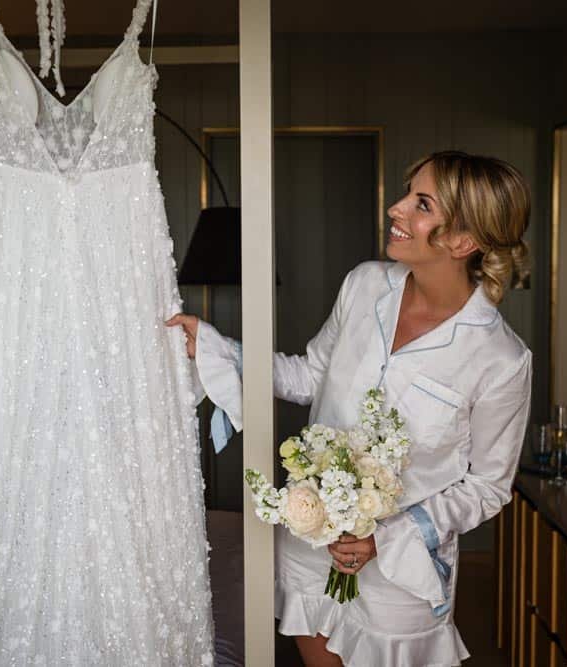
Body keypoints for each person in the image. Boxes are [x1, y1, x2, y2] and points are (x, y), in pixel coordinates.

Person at [167, 150, 533, 666]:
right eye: (407, 193)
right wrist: (216, 347)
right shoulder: (364, 285)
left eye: (422, 204)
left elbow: (487, 486)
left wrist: (386, 538)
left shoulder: (501, 358)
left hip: (401, 573)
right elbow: (308, 375)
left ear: (462, 241)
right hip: (310, 545)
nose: (396, 208)